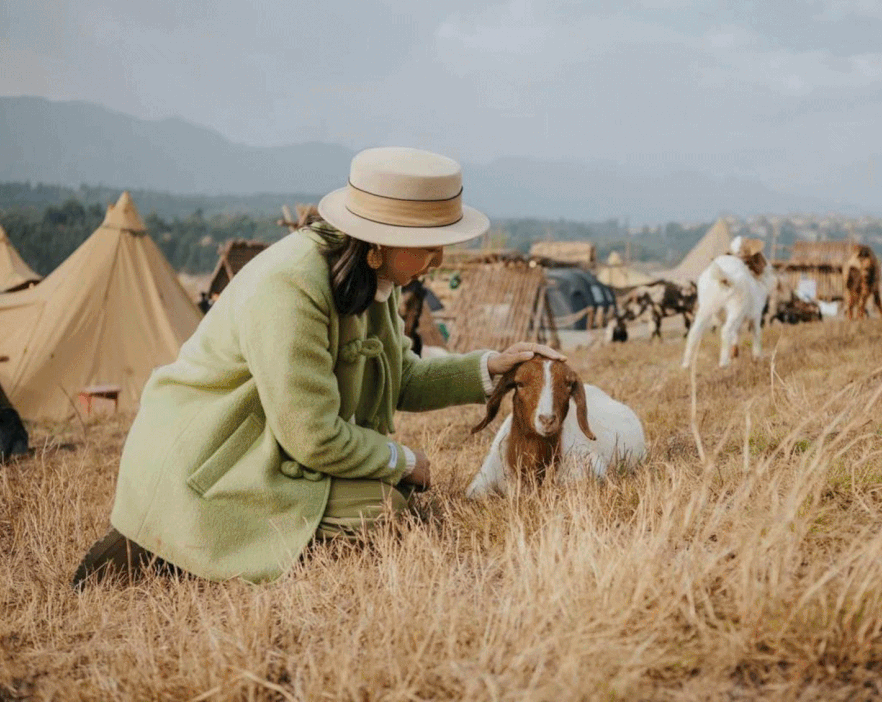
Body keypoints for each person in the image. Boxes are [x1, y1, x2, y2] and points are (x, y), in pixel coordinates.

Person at [73, 147, 562, 586]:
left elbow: (400, 377)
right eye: (428, 243)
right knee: (388, 511)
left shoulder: (373, 274)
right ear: (381, 238)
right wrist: (404, 460)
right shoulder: (291, 287)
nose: (439, 258)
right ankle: (173, 544)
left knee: (395, 505)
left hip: (272, 448)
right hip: (213, 459)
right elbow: (313, 437)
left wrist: (493, 368)